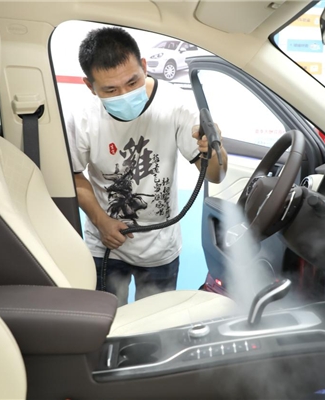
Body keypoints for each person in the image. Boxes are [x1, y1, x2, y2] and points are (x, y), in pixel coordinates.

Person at [65, 27, 227, 306]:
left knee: (154, 325)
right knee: (106, 320)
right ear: (90, 86)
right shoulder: (82, 118)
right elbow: (74, 175)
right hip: (105, 243)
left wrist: (214, 150)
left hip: (160, 248)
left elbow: (216, 174)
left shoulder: (176, 105)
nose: (125, 94)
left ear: (144, 66)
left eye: (132, 82)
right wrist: (101, 221)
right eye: (111, 90)